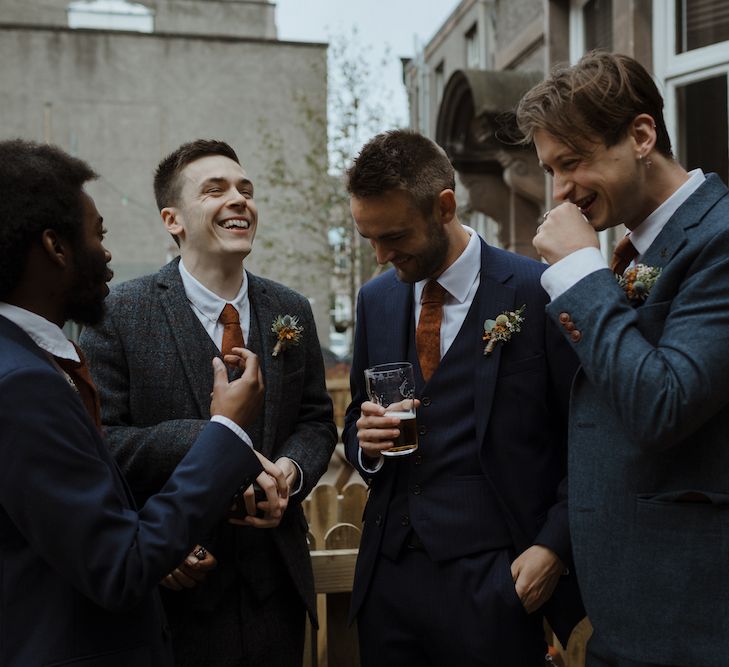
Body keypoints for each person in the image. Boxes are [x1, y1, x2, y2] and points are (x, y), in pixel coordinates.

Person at [0, 139, 289, 666]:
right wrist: (223, 429)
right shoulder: (22, 383)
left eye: (246, 188)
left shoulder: (27, 362)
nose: (106, 252)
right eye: (98, 235)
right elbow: (118, 563)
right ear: (55, 248)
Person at [80, 139, 337, 666]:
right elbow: (102, 443)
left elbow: (315, 420)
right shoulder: (118, 313)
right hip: (174, 590)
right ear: (172, 220)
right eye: (214, 190)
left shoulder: (291, 309)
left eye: (246, 189)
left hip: (276, 594)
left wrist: (290, 471)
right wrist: (212, 435)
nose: (239, 199)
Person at [516, 51, 729, 667]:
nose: (561, 192)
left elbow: (661, 402)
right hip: (621, 617)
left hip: (692, 621)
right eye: (551, 170)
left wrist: (581, 270)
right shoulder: (635, 250)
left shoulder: (719, 239)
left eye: (573, 162)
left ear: (640, 136)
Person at [342, 129, 584, 666]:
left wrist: (553, 546)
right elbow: (353, 419)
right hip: (389, 578)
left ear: (444, 206)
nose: (381, 255)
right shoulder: (376, 299)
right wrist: (369, 446)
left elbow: (585, 437)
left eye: (395, 236)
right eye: (369, 239)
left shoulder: (536, 288)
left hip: (496, 580)